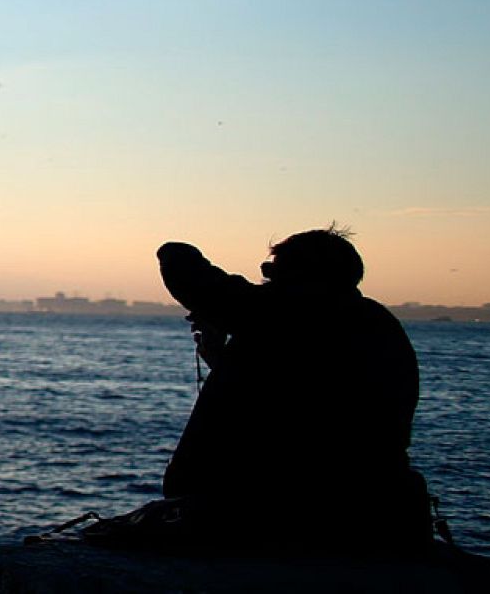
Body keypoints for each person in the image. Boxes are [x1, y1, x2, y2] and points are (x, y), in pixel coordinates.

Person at [155, 227, 431, 549]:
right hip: (369, 507)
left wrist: (233, 310)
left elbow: (179, 260)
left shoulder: (286, 310)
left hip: (286, 511)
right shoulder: (379, 322)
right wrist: (222, 356)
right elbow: (299, 390)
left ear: (302, 274)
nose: (266, 279)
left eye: (273, 270)